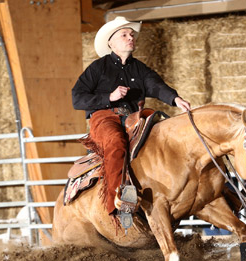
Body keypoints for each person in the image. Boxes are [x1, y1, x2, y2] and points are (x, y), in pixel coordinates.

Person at [72, 16, 191, 215]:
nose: (131, 38)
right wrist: (109, 96)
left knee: (162, 139)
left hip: (133, 118)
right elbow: (77, 98)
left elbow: (156, 86)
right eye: (125, 35)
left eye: (132, 35)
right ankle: (117, 202)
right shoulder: (97, 68)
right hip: (104, 117)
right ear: (111, 42)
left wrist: (175, 99)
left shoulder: (140, 69)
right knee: (116, 142)